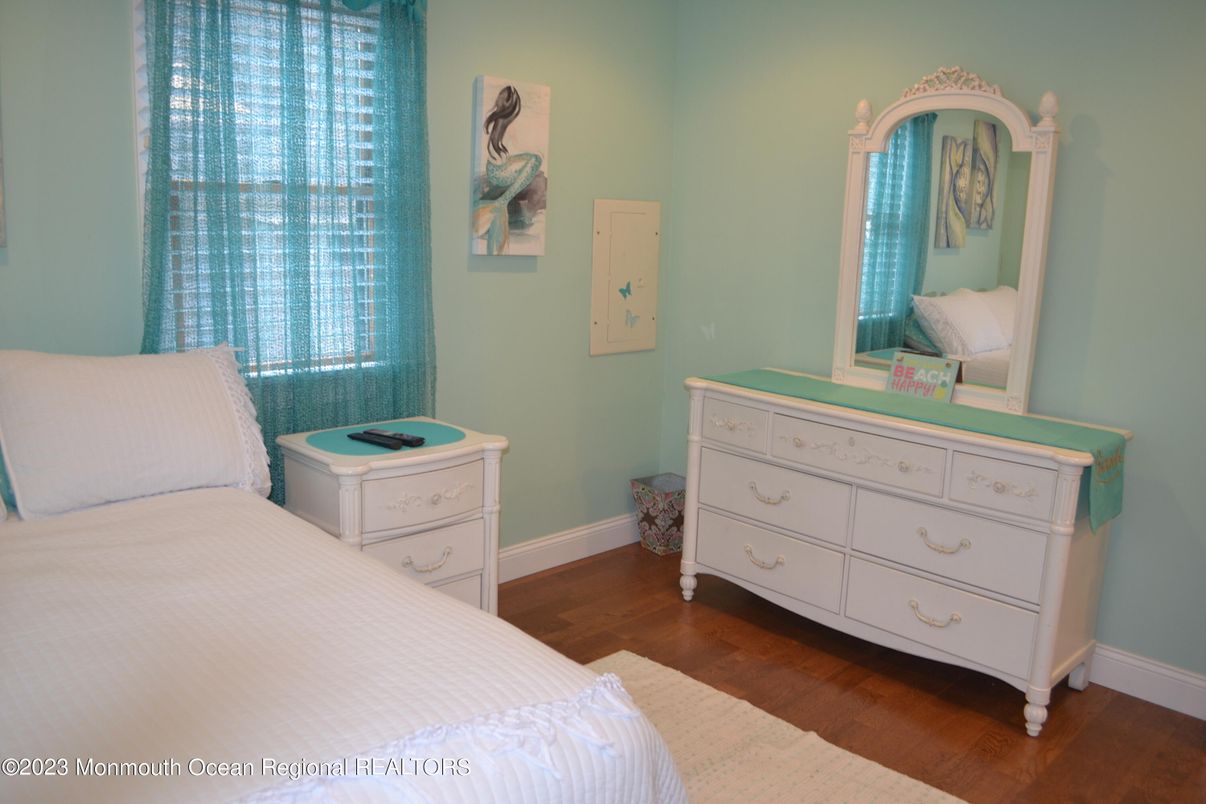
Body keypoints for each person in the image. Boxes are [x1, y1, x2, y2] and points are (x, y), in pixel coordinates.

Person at [473, 86, 543, 255]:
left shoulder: (495, 121)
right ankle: (504, 199)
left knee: (534, 160)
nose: (499, 99)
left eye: (502, 96)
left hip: (497, 169)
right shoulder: (499, 122)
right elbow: (500, 157)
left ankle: (503, 201)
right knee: (535, 160)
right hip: (498, 172)